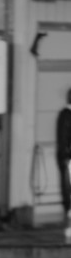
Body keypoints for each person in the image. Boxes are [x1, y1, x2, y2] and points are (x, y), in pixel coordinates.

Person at [56, 92, 71, 239]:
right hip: (68, 160)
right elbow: (64, 140)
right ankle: (68, 228)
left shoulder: (64, 115)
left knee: (68, 191)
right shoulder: (67, 116)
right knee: (68, 192)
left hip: (66, 159)